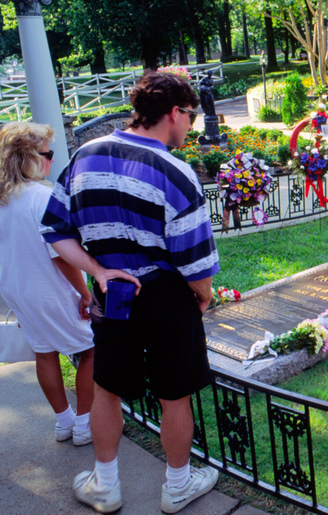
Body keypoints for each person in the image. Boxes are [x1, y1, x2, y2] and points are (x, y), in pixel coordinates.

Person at [40, 71, 220, 514]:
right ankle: (177, 486)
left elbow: (55, 230)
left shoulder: (84, 156)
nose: (191, 126)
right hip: (166, 296)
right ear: (174, 112)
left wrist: (100, 271)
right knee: (173, 394)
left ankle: (105, 484)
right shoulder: (175, 172)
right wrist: (204, 295)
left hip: (114, 294)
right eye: (191, 117)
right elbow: (193, 260)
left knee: (107, 388)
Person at [0, 122, 95, 446]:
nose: (52, 160)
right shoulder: (42, 197)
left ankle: (63, 420)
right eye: (47, 154)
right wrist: (84, 294)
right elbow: (62, 256)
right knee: (90, 349)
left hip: (16, 287)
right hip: (48, 287)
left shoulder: (4, 199)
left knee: (45, 352)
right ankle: (84, 424)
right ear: (29, 157)